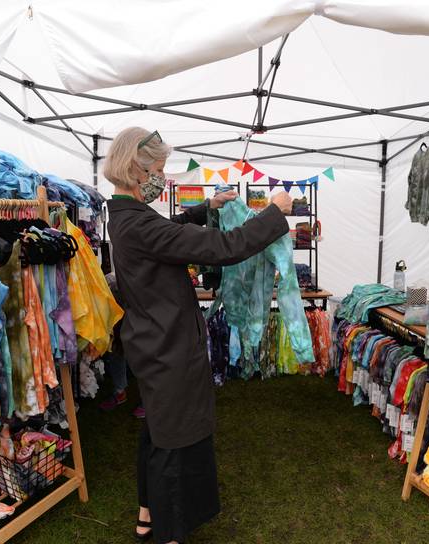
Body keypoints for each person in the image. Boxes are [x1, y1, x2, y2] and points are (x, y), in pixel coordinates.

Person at [104, 127, 293, 544]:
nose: (163, 177)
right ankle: (169, 533)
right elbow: (222, 248)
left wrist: (204, 207)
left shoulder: (123, 215)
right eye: (158, 168)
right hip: (166, 346)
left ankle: (146, 516)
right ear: (136, 169)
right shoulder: (135, 223)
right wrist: (274, 214)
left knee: (158, 432)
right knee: (174, 442)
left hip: (154, 342)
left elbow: (165, 232)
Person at [99, 272, 145, 418]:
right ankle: (120, 392)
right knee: (116, 348)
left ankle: (150, 399)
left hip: (140, 303)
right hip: (117, 299)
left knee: (142, 352)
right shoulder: (110, 283)